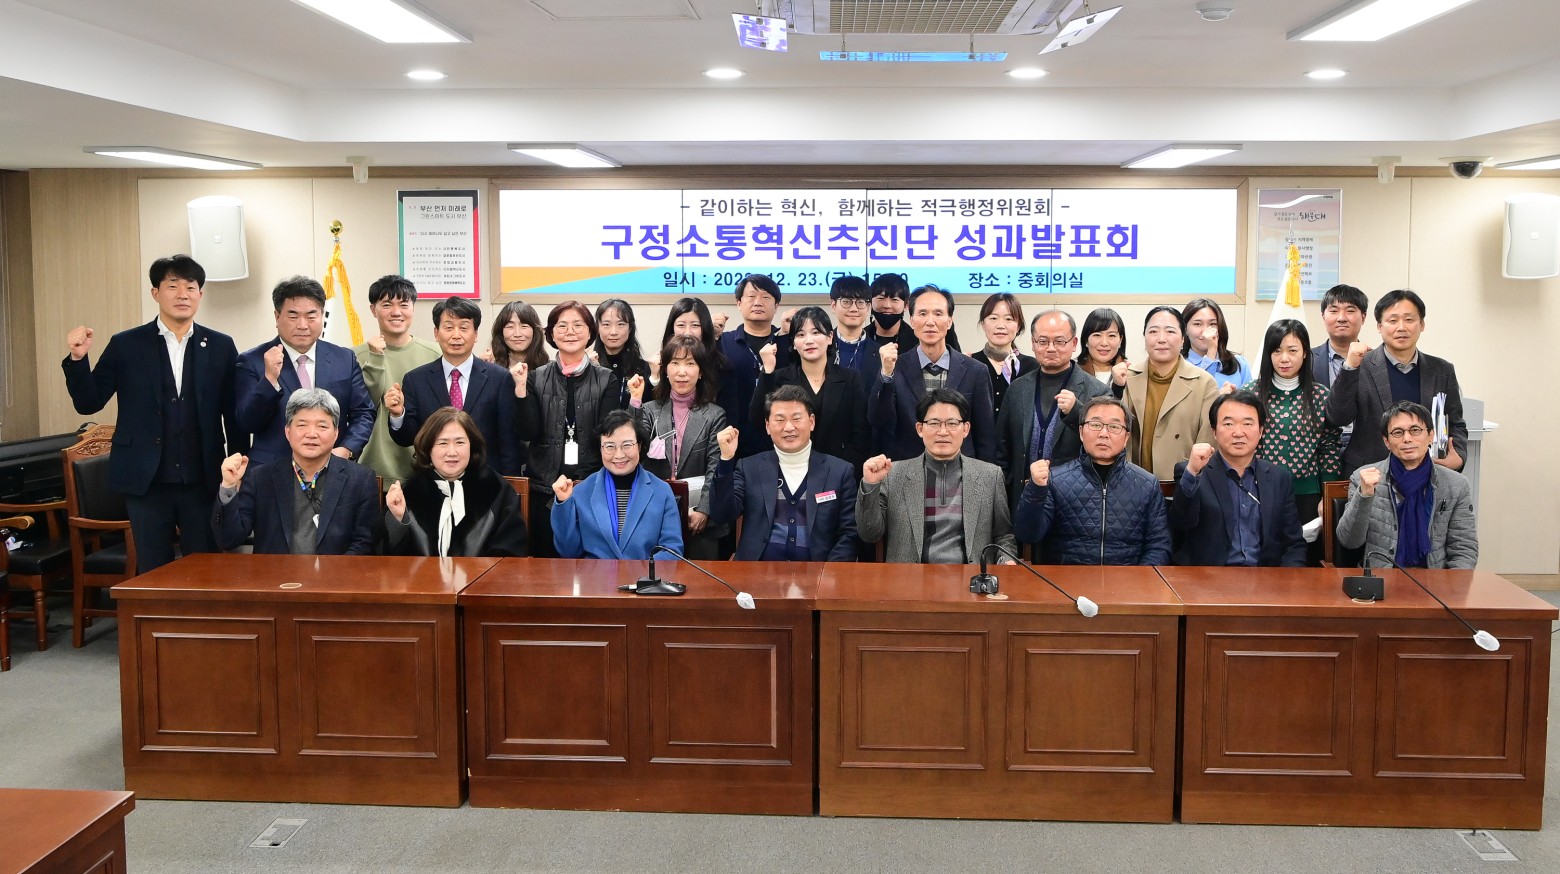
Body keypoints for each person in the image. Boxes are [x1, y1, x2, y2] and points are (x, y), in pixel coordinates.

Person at [61, 254, 240, 572]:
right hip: (146, 481)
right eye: (172, 286)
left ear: (200, 294)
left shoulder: (220, 346)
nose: (183, 294)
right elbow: (89, 403)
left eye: (191, 287)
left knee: (205, 568)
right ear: (155, 292)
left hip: (202, 478)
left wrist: (238, 463)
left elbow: (234, 412)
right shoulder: (126, 344)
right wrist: (78, 360)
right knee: (153, 570)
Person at [513, 301, 626, 556]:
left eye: (578, 325)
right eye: (562, 326)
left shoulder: (606, 379)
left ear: (590, 332)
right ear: (551, 334)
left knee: (591, 562)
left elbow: (607, 435)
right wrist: (520, 389)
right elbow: (526, 432)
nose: (570, 332)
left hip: (591, 488)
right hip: (544, 489)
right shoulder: (535, 377)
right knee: (545, 564)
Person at [212, 388, 377, 555]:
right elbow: (228, 539)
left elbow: (364, 543)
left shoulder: (360, 479)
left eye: (322, 426)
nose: (311, 434)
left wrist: (332, 570)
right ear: (288, 432)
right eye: (302, 425)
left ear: (336, 433)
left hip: (335, 571)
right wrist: (228, 486)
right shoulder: (260, 478)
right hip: (275, 571)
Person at [857, 388, 1015, 563]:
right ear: (920, 429)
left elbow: (1004, 536)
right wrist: (870, 485)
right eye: (934, 423)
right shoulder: (893, 475)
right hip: (908, 577)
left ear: (965, 429)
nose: (943, 432)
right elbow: (869, 534)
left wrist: (1006, 561)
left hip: (971, 577)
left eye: (952, 423)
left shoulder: (990, 476)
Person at [1013, 396, 1171, 565]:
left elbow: (1159, 546)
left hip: (1126, 578)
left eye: (1114, 427)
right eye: (1095, 425)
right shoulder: (1055, 480)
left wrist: (1138, 578)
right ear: (1081, 432)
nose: (1104, 434)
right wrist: (1036, 489)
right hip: (1067, 579)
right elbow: (1028, 534)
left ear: (1126, 438)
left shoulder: (1147, 484)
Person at [235, 276, 375, 466]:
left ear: (322, 315)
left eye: (311, 316)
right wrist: (269, 380)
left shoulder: (344, 358)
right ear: (277, 316)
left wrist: (345, 450)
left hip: (333, 468)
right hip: (271, 471)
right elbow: (247, 423)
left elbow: (364, 413)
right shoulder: (253, 361)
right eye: (293, 316)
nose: (302, 325)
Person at [1326, 289, 1467, 475]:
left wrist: (1459, 455)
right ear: (1379, 326)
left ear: (1422, 324)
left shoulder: (1442, 370)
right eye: (1392, 321)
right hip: (1370, 474)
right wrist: (1349, 368)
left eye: (1409, 319)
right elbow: (1337, 417)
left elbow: (1456, 424)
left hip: (1427, 472)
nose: (1401, 327)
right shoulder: (1360, 365)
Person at [710, 385, 859, 562]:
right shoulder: (749, 467)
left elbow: (849, 533)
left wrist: (828, 573)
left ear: (811, 422)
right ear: (767, 426)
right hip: (756, 572)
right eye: (780, 420)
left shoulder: (839, 471)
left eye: (796, 419)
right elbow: (722, 515)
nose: (789, 427)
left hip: (818, 573)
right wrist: (726, 459)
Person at [1169, 391, 1306, 567]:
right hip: (1208, 577)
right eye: (1228, 424)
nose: (1238, 433)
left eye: (1247, 424)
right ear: (1214, 431)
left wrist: (1289, 579)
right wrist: (1192, 472)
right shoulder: (1194, 472)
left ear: (1261, 431)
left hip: (1265, 578)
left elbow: (1294, 543)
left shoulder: (1279, 478)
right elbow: (1181, 523)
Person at [386, 297, 519, 475]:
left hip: (486, 480)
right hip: (433, 480)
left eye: (464, 328)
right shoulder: (416, 380)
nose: (456, 335)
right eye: (448, 328)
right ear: (436, 333)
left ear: (476, 334)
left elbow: (508, 440)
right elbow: (406, 438)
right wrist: (397, 414)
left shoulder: (499, 378)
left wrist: (509, 483)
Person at [1337, 401, 1477, 569]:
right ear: (1386, 441)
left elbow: (1464, 550)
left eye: (1415, 430)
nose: (1407, 438)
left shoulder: (1456, 484)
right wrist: (1364, 495)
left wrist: (1450, 583)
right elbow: (1349, 541)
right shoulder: (1363, 478)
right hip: (1381, 577)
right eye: (1398, 432)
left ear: (1430, 435)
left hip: (1434, 578)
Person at [1245, 319, 1341, 563]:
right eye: (1277, 351)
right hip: (1258, 492)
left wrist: (1327, 496)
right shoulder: (1250, 394)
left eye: (1292, 350)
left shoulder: (1321, 396)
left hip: (1308, 497)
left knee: (1304, 562)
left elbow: (1329, 449)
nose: (1284, 358)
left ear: (1305, 353)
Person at [997, 309, 1108, 514]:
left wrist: (1077, 411)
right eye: (1042, 341)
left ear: (1074, 344)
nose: (1050, 348)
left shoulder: (1098, 392)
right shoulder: (1017, 389)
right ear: (1033, 343)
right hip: (1022, 497)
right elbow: (1002, 448)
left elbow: (1105, 446)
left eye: (1059, 341)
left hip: (1075, 501)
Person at [873, 285, 997, 461]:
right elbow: (878, 420)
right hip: (910, 468)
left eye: (938, 314)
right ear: (912, 320)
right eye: (922, 314)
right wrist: (886, 374)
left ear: (949, 321)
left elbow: (986, 436)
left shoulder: (975, 371)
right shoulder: (895, 367)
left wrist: (984, 474)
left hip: (963, 469)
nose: (930, 322)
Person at [383, 408, 528, 557]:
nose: (452, 452)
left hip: (481, 573)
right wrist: (398, 519)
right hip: (423, 573)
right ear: (428, 448)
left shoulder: (497, 490)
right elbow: (389, 558)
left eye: (460, 442)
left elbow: (511, 555)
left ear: (472, 446)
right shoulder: (409, 493)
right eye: (442, 443)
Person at [637, 335, 728, 559]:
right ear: (665, 370)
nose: (682, 372)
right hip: (656, 510)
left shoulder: (714, 415)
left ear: (701, 371)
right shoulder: (649, 410)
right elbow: (634, 450)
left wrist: (704, 510)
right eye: (675, 363)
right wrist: (634, 402)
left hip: (699, 515)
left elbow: (715, 468)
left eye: (690, 363)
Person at [751, 307, 872, 474]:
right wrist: (767, 371)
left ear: (830, 337)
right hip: (789, 471)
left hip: (839, 472)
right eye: (801, 335)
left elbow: (861, 433)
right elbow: (757, 421)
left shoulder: (851, 378)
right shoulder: (778, 378)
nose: (809, 340)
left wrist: (840, 471)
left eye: (816, 333)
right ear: (793, 343)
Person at [550, 410, 683, 560]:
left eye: (627, 445)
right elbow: (568, 552)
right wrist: (563, 503)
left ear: (639, 446)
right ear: (600, 449)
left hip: (645, 574)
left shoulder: (661, 491)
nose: (619, 455)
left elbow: (672, 550)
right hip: (595, 574)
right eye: (609, 446)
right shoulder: (582, 491)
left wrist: (642, 573)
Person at [353, 274, 441, 485]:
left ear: (413, 308)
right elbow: (362, 409)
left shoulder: (436, 354)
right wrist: (375, 357)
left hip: (427, 471)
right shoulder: (354, 356)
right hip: (373, 472)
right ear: (373, 310)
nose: (396, 312)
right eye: (386, 305)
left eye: (404, 304)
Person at [1121, 306, 1220, 481]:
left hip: (1182, 485)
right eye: (1153, 331)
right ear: (1144, 337)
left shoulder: (1204, 383)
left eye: (1170, 331)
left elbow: (1208, 444)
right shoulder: (1126, 378)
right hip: (1133, 484)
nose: (1161, 339)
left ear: (1183, 339)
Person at [716, 274, 791, 460]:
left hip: (781, 441)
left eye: (765, 297)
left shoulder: (787, 343)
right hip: (733, 440)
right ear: (739, 303)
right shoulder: (723, 342)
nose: (758, 302)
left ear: (776, 305)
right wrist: (710, 335)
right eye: (751, 296)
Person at [976, 292, 1039, 415]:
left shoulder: (1031, 366)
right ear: (983, 324)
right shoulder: (970, 363)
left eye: (1009, 319)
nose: (1000, 325)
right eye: (993, 318)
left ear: (1018, 326)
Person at [592, 298, 653, 406]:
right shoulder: (589, 365)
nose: (613, 332)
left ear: (630, 328)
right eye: (606, 324)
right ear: (597, 328)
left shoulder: (644, 369)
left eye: (620, 324)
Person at [1182, 298, 1252, 390]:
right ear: (1185, 329)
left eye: (1212, 324)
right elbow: (1198, 395)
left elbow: (1250, 397)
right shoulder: (1178, 364)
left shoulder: (1239, 363)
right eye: (1197, 324)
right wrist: (1211, 351)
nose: (1206, 331)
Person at [1311, 284, 1368, 389]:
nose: (1341, 318)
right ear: (1323, 317)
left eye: (1350, 311)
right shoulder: (1307, 359)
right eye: (1334, 311)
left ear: (1363, 317)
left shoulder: (1376, 360)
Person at [827, 275, 876, 377]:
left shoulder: (879, 353)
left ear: (868, 307)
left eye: (860, 302)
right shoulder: (821, 346)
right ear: (833, 305)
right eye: (846, 302)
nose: (854, 309)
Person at [487, 300, 550, 372]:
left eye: (524, 326)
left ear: (535, 331)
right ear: (501, 332)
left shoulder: (548, 370)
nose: (517, 334)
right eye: (510, 326)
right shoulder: (490, 368)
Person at [1075, 307, 1129, 386]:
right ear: (1086, 339)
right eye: (1097, 335)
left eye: (1111, 335)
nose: (1104, 343)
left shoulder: (1130, 374)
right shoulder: (1072, 372)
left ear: (1120, 340)